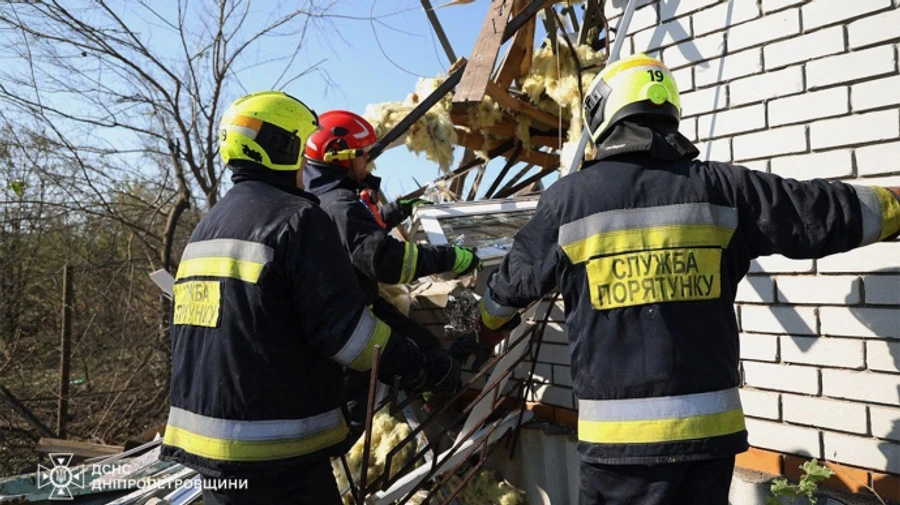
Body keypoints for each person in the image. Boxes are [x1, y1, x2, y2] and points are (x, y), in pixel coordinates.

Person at [476, 54, 900, 505]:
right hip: (710, 439)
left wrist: (487, 326)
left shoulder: (567, 202)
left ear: (602, 116)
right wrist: (895, 206)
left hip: (620, 452)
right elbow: (818, 211)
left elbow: (507, 291)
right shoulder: (724, 189)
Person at [159, 91, 453, 505]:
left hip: (208, 455)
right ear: (280, 149)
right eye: (300, 150)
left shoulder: (207, 227)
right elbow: (349, 335)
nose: (305, 164)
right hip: (277, 458)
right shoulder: (297, 219)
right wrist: (418, 366)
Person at [303, 110, 480, 438]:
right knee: (356, 416)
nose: (368, 161)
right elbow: (384, 261)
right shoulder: (340, 205)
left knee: (425, 346)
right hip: (349, 329)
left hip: (352, 310)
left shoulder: (323, 198)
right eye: (362, 154)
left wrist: (397, 211)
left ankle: (438, 406)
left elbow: (360, 235)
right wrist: (451, 257)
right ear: (339, 156)